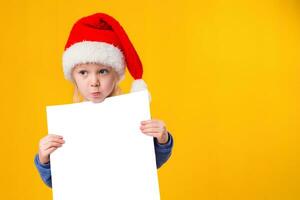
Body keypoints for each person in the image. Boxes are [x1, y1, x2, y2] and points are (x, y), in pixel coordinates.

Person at [34, 13, 174, 188]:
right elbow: (58, 183)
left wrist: (162, 139)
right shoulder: (68, 126)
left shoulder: (131, 116)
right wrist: (44, 159)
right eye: (83, 72)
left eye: (102, 71)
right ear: (73, 76)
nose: (94, 82)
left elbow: (149, 165)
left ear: (116, 74)